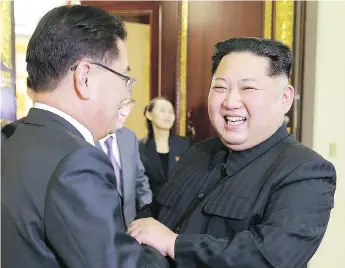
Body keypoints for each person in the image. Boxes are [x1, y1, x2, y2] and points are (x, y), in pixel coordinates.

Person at [128, 37, 337, 268]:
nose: (230, 101)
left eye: (248, 88)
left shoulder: (307, 171)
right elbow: (153, 216)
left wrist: (174, 244)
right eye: (220, 87)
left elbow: (270, 257)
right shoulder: (197, 152)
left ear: (285, 98)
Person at [1, 5, 168, 268]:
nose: (126, 95)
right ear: (85, 77)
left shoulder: (12, 139)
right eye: (124, 77)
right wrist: (169, 245)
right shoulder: (76, 161)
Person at [97, 97, 152, 227]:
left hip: (129, 225)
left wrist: (148, 215)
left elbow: (140, 180)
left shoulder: (129, 137)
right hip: (98, 227)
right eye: (121, 105)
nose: (125, 112)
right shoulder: (84, 138)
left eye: (129, 104)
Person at [139, 97, 190, 197]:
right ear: (149, 115)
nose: (168, 115)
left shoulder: (184, 144)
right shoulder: (139, 147)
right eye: (162, 111)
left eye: (171, 112)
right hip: (150, 207)